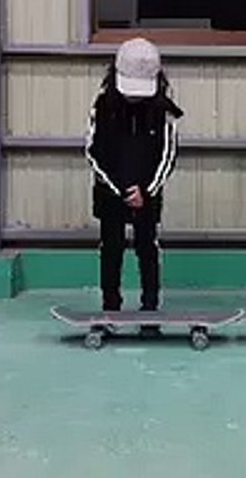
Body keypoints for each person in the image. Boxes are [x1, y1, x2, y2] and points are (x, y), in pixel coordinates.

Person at [86, 37, 183, 312]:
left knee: (147, 248)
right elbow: (94, 152)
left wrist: (147, 191)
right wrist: (120, 189)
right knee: (111, 249)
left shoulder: (163, 111)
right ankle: (110, 305)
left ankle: (150, 306)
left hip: (148, 195)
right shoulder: (102, 107)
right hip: (109, 191)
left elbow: (168, 155)